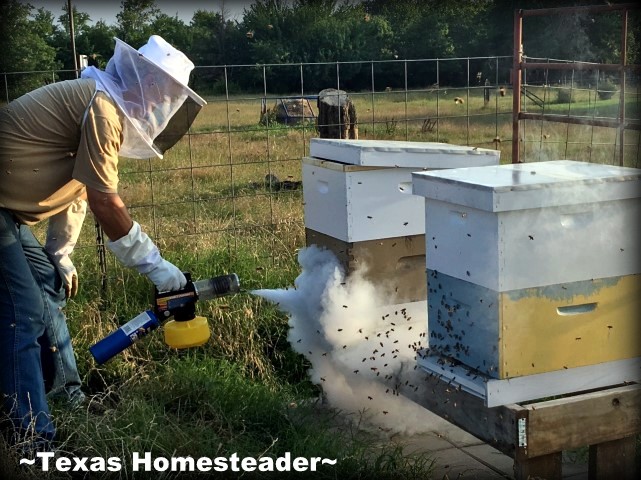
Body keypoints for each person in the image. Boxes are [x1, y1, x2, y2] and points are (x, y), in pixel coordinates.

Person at [0, 34, 206, 453]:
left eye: (168, 101)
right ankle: (30, 439)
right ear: (143, 82)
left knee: (49, 287)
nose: (159, 109)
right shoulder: (102, 107)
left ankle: (65, 396)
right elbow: (105, 203)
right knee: (21, 313)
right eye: (161, 96)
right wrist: (160, 269)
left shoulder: (101, 104)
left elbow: (77, 191)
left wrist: (60, 255)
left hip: (9, 212)